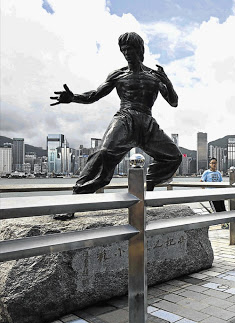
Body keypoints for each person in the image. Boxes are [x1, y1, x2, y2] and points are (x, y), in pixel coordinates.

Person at [50, 32, 182, 220]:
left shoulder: (155, 77)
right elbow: (95, 95)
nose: (127, 53)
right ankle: (75, 201)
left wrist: (167, 81)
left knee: (173, 157)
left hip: (147, 121)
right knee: (103, 153)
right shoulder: (118, 75)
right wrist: (73, 98)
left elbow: (174, 102)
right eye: (124, 50)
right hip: (125, 118)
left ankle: (148, 187)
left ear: (140, 50)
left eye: (131, 49)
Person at [201, 158, 227, 228]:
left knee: (223, 208)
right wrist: (204, 190)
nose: (214, 164)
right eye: (212, 163)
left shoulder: (218, 173)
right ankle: (222, 223)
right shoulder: (206, 172)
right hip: (211, 193)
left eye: (215, 163)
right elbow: (201, 181)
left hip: (219, 193)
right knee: (216, 208)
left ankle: (225, 222)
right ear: (210, 164)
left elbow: (221, 182)